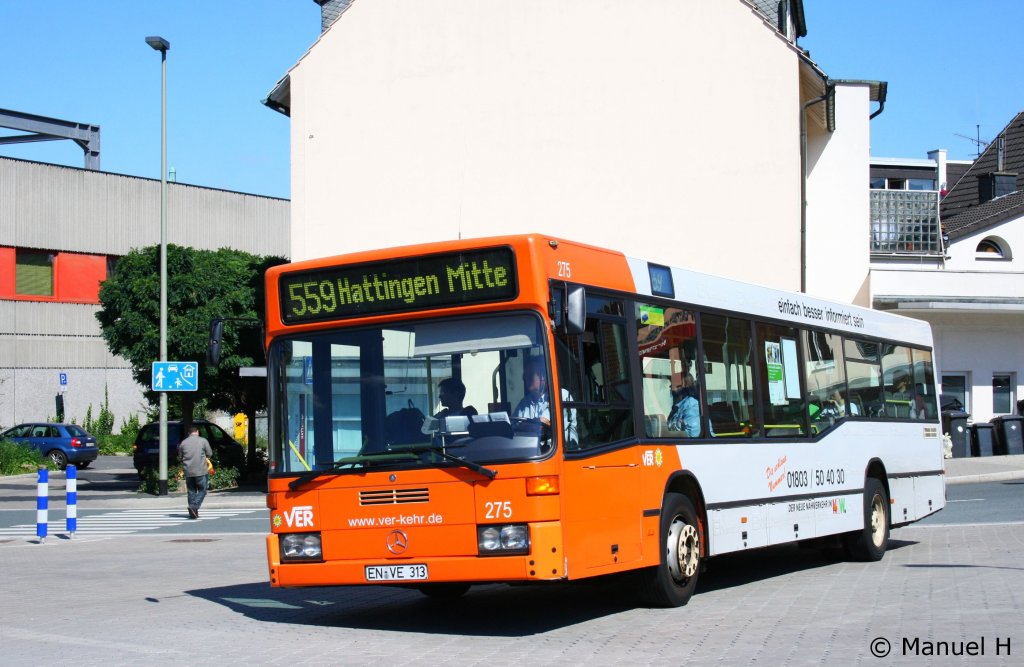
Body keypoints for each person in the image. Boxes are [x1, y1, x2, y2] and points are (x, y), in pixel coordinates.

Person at [514, 357, 577, 447]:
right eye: (525, 376)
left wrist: (523, 426)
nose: (525, 379)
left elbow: (543, 425)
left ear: (542, 376)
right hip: (532, 451)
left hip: (559, 452)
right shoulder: (525, 401)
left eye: (530, 375)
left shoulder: (561, 395)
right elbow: (514, 426)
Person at [178, 425, 213, 519]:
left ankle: (193, 512)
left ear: (189, 433)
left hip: (188, 471)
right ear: (197, 432)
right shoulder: (203, 441)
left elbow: (180, 457)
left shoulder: (183, 443)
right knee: (203, 490)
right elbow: (209, 453)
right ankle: (194, 507)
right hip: (201, 470)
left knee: (191, 491)